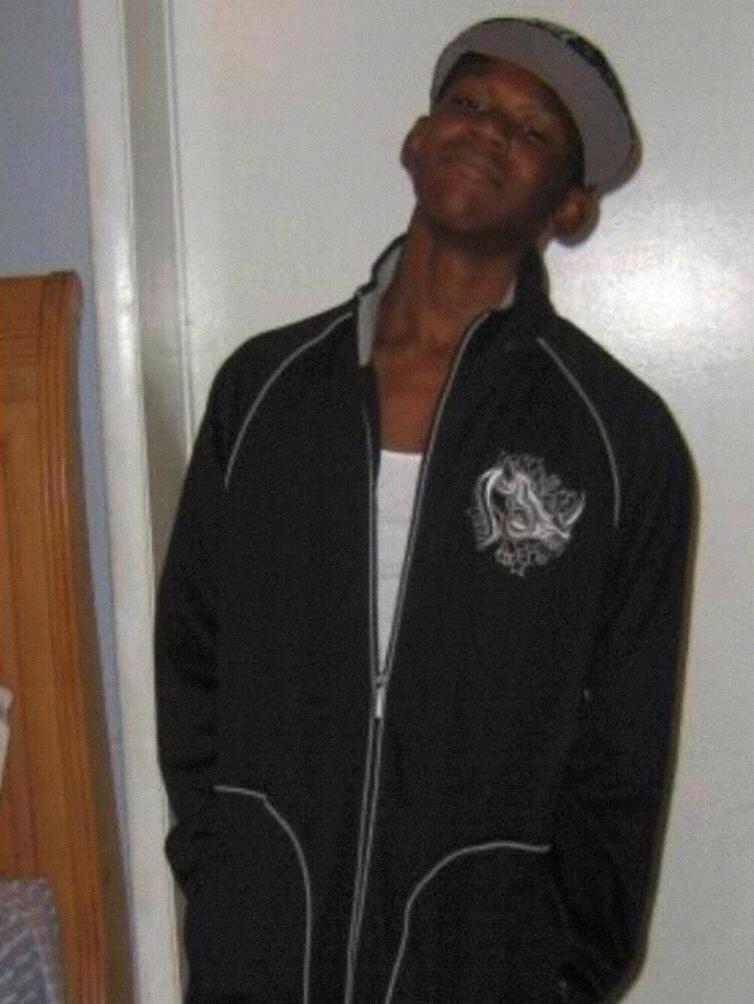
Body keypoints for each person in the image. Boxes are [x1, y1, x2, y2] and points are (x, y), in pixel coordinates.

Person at [156, 17, 693, 1003]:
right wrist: (223, 864)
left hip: (483, 961)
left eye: (531, 130)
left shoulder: (618, 439)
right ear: (417, 137)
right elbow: (193, 650)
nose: (488, 130)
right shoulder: (264, 390)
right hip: (262, 941)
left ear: (571, 204)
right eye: (470, 102)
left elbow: (627, 739)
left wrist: (568, 968)